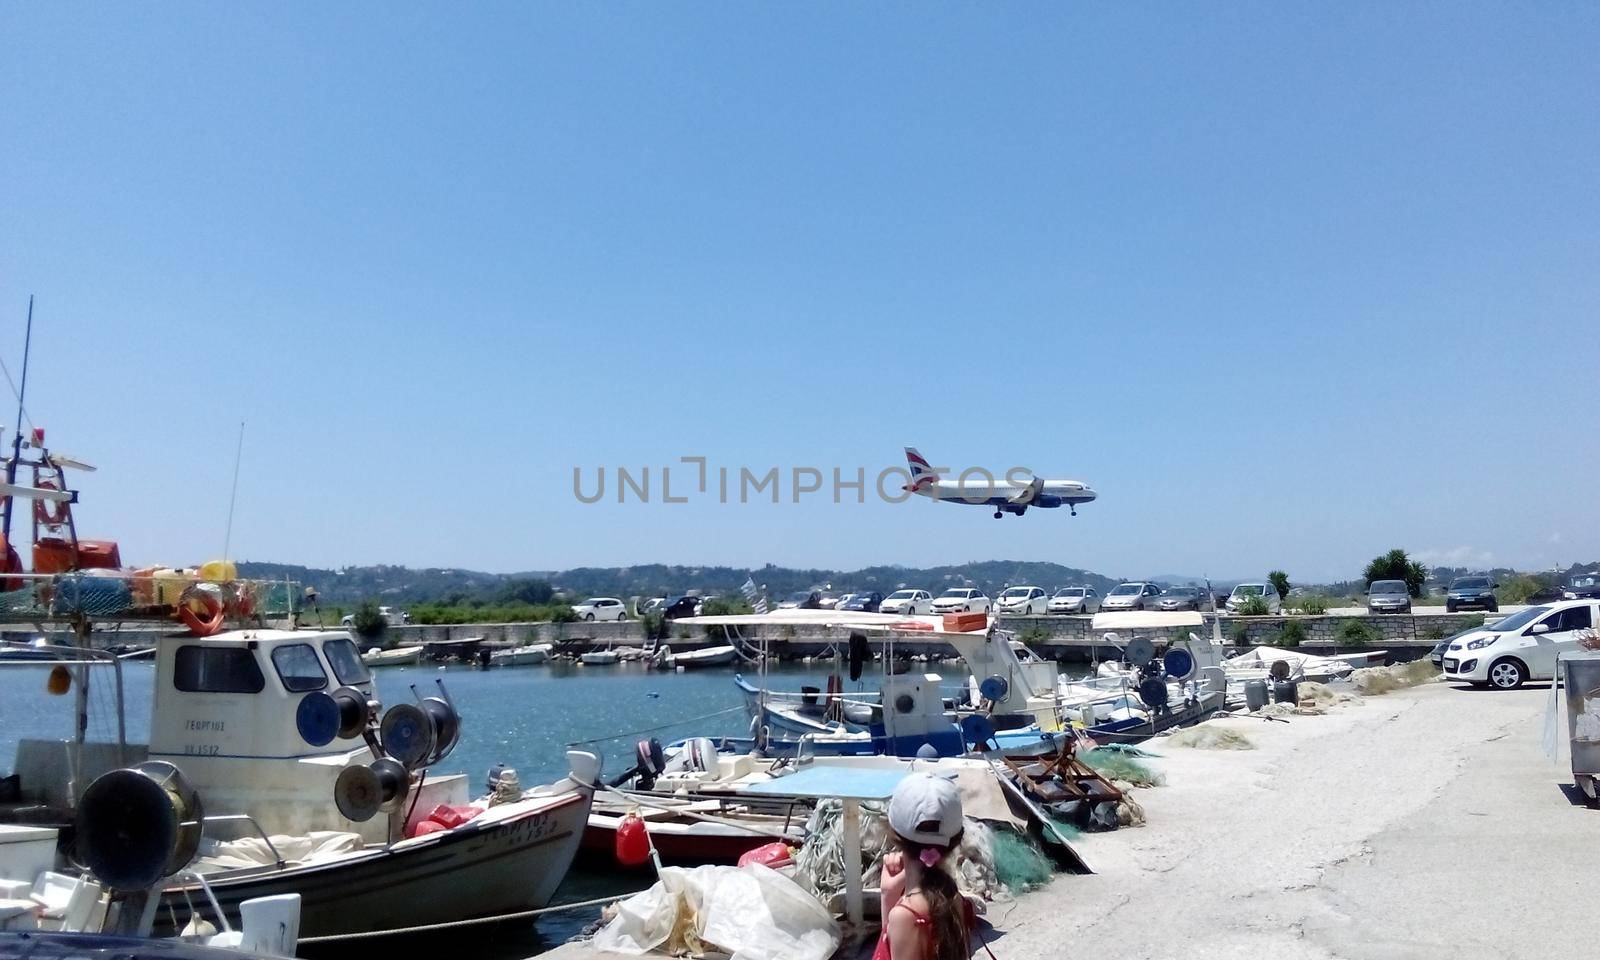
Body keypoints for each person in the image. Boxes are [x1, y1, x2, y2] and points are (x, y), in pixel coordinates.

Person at [873, 772, 975, 960]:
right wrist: (890, 896)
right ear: (955, 841)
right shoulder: (953, 898)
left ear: (894, 834)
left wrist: (888, 900)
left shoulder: (905, 915)